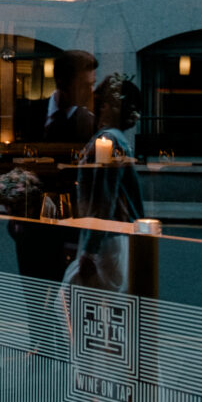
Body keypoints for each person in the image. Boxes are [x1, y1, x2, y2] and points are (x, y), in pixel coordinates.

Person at [65, 75, 145, 293]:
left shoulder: (106, 141)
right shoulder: (116, 138)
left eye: (97, 101)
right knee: (102, 308)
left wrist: (91, 250)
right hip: (114, 237)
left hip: (106, 241)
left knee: (69, 300)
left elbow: (104, 198)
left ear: (107, 106)